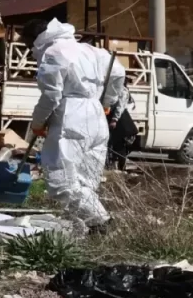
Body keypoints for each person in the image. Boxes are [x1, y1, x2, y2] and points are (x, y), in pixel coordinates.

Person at [22, 18, 125, 234]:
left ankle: (102, 223)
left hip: (71, 116)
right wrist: (107, 101)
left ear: (36, 38)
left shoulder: (54, 52)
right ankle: (86, 231)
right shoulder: (91, 50)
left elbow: (51, 95)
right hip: (96, 115)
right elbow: (118, 73)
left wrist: (38, 123)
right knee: (85, 180)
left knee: (63, 182)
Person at [107, 80, 138, 171]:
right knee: (116, 144)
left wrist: (115, 119)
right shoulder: (118, 90)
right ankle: (116, 165)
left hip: (120, 120)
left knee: (119, 145)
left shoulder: (123, 91)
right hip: (119, 119)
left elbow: (120, 106)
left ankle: (120, 167)